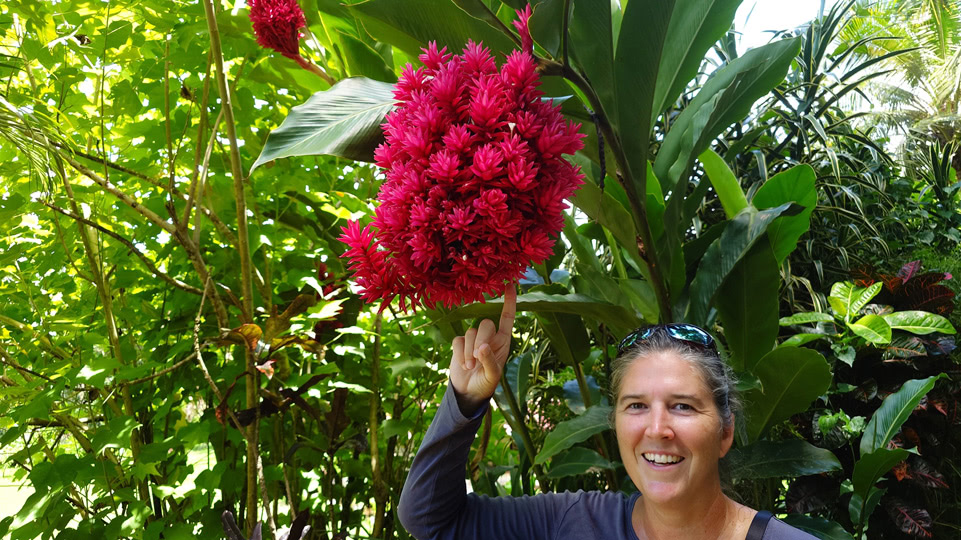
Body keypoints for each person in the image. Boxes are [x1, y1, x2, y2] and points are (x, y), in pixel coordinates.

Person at [397, 286, 817, 539]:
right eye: (636, 405)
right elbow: (431, 521)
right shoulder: (573, 522)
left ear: (725, 432)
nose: (657, 429)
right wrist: (465, 399)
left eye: (682, 406)